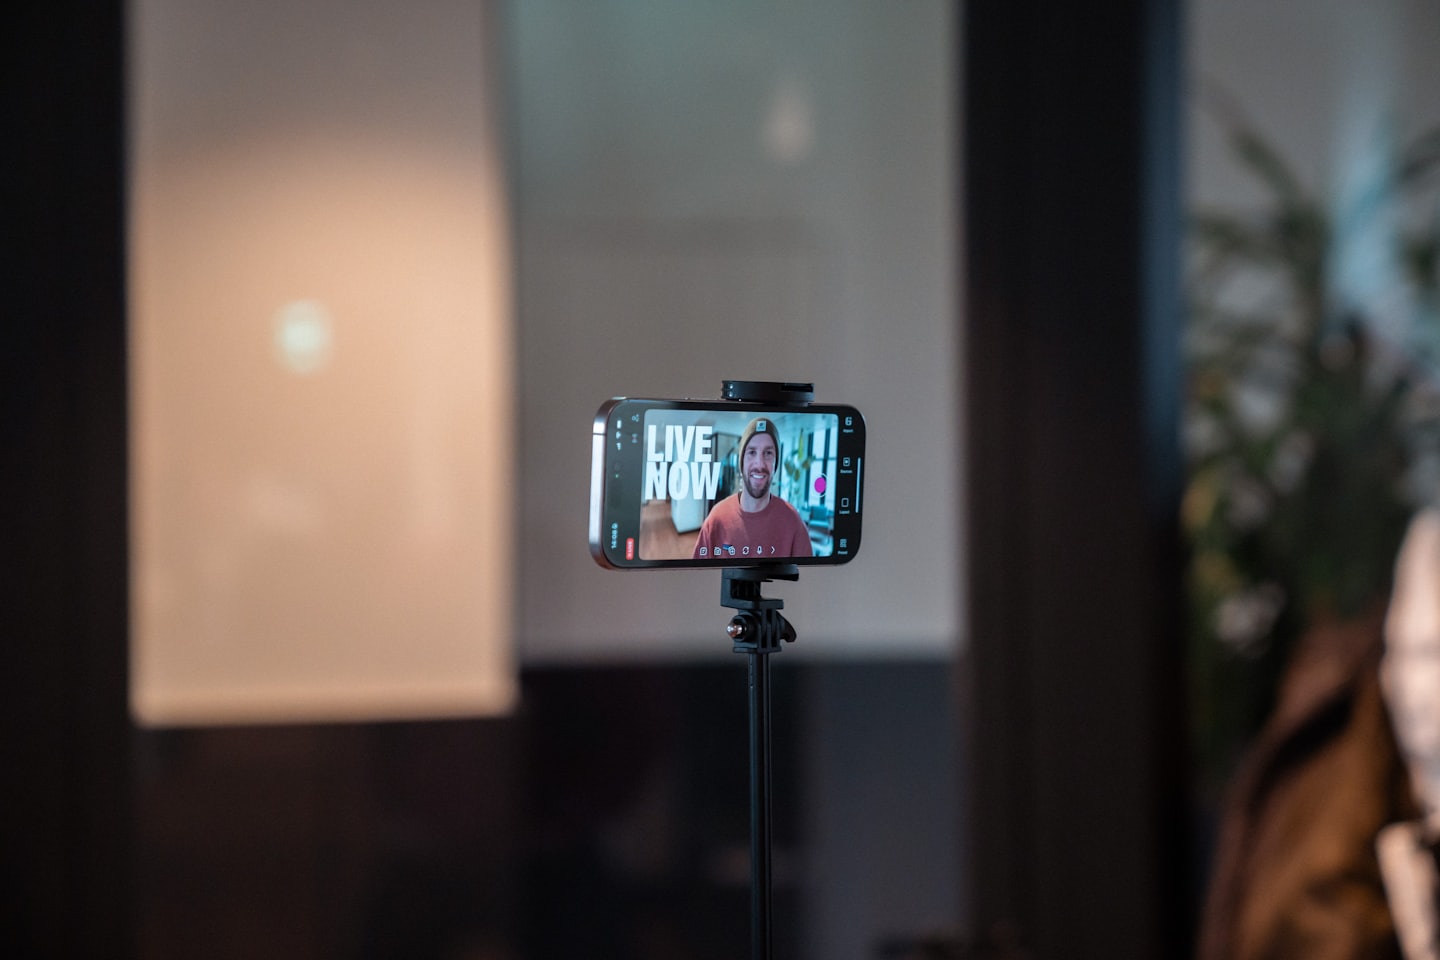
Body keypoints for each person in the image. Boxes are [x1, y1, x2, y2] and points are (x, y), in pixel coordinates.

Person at [693, 417, 813, 560]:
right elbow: (697, 573)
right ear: (742, 462)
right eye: (751, 452)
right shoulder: (716, 520)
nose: (759, 464)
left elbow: (808, 574)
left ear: (776, 463)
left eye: (768, 453)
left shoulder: (793, 523)